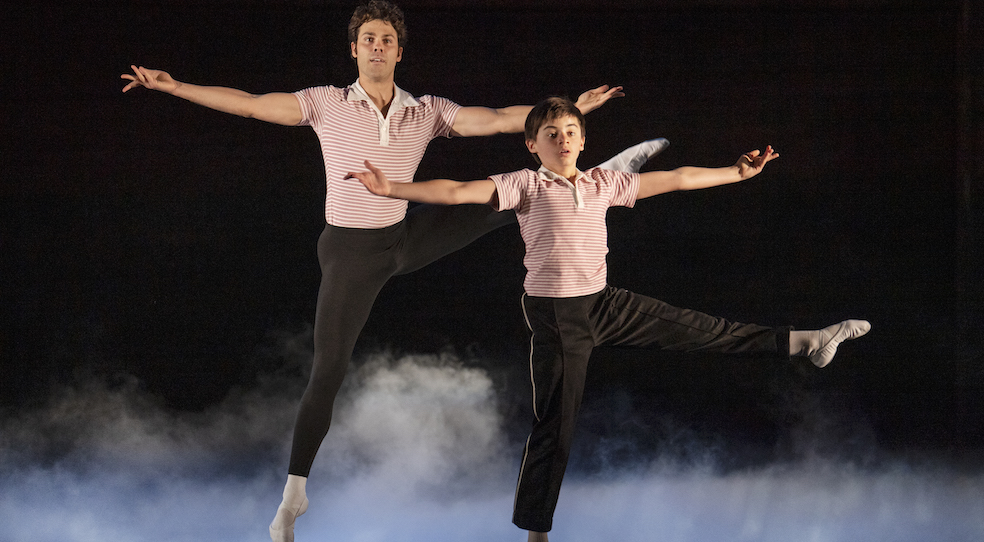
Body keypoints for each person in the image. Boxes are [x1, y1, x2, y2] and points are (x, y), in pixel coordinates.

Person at [120, 2, 668, 540]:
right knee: (327, 370)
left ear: (399, 52)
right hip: (350, 253)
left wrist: (571, 110)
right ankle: (293, 495)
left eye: (387, 40)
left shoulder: (424, 110)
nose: (377, 47)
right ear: (354, 50)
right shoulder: (324, 103)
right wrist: (174, 87)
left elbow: (501, 120)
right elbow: (250, 104)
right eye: (368, 39)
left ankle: (593, 180)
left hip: (404, 239)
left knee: (503, 199)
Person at [350, 96, 872, 541]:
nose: (564, 139)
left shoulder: (603, 183)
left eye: (572, 131)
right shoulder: (525, 185)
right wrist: (391, 189)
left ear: (582, 138)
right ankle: (536, 534)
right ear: (532, 144)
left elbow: (678, 179)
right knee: (556, 425)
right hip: (557, 317)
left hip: (603, 302)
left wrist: (737, 173)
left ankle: (806, 342)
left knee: (701, 329)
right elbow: (456, 190)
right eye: (551, 133)